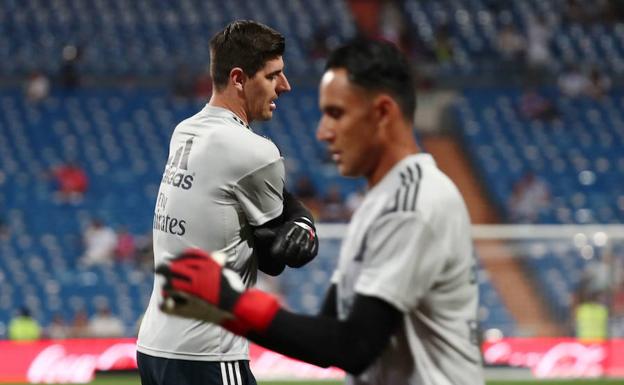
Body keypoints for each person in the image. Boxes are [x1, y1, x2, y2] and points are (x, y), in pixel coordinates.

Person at [157, 39, 484, 385]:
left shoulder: (413, 204)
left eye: (336, 114)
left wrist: (231, 303)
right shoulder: (381, 203)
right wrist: (231, 306)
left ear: (383, 113)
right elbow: (328, 334)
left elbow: (353, 346)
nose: (323, 132)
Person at [136, 20, 319, 385]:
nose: (285, 86)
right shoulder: (254, 152)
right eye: (273, 76)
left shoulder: (185, 131)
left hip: (155, 346)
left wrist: (297, 221)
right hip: (207, 353)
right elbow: (273, 260)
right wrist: (303, 226)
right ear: (239, 78)